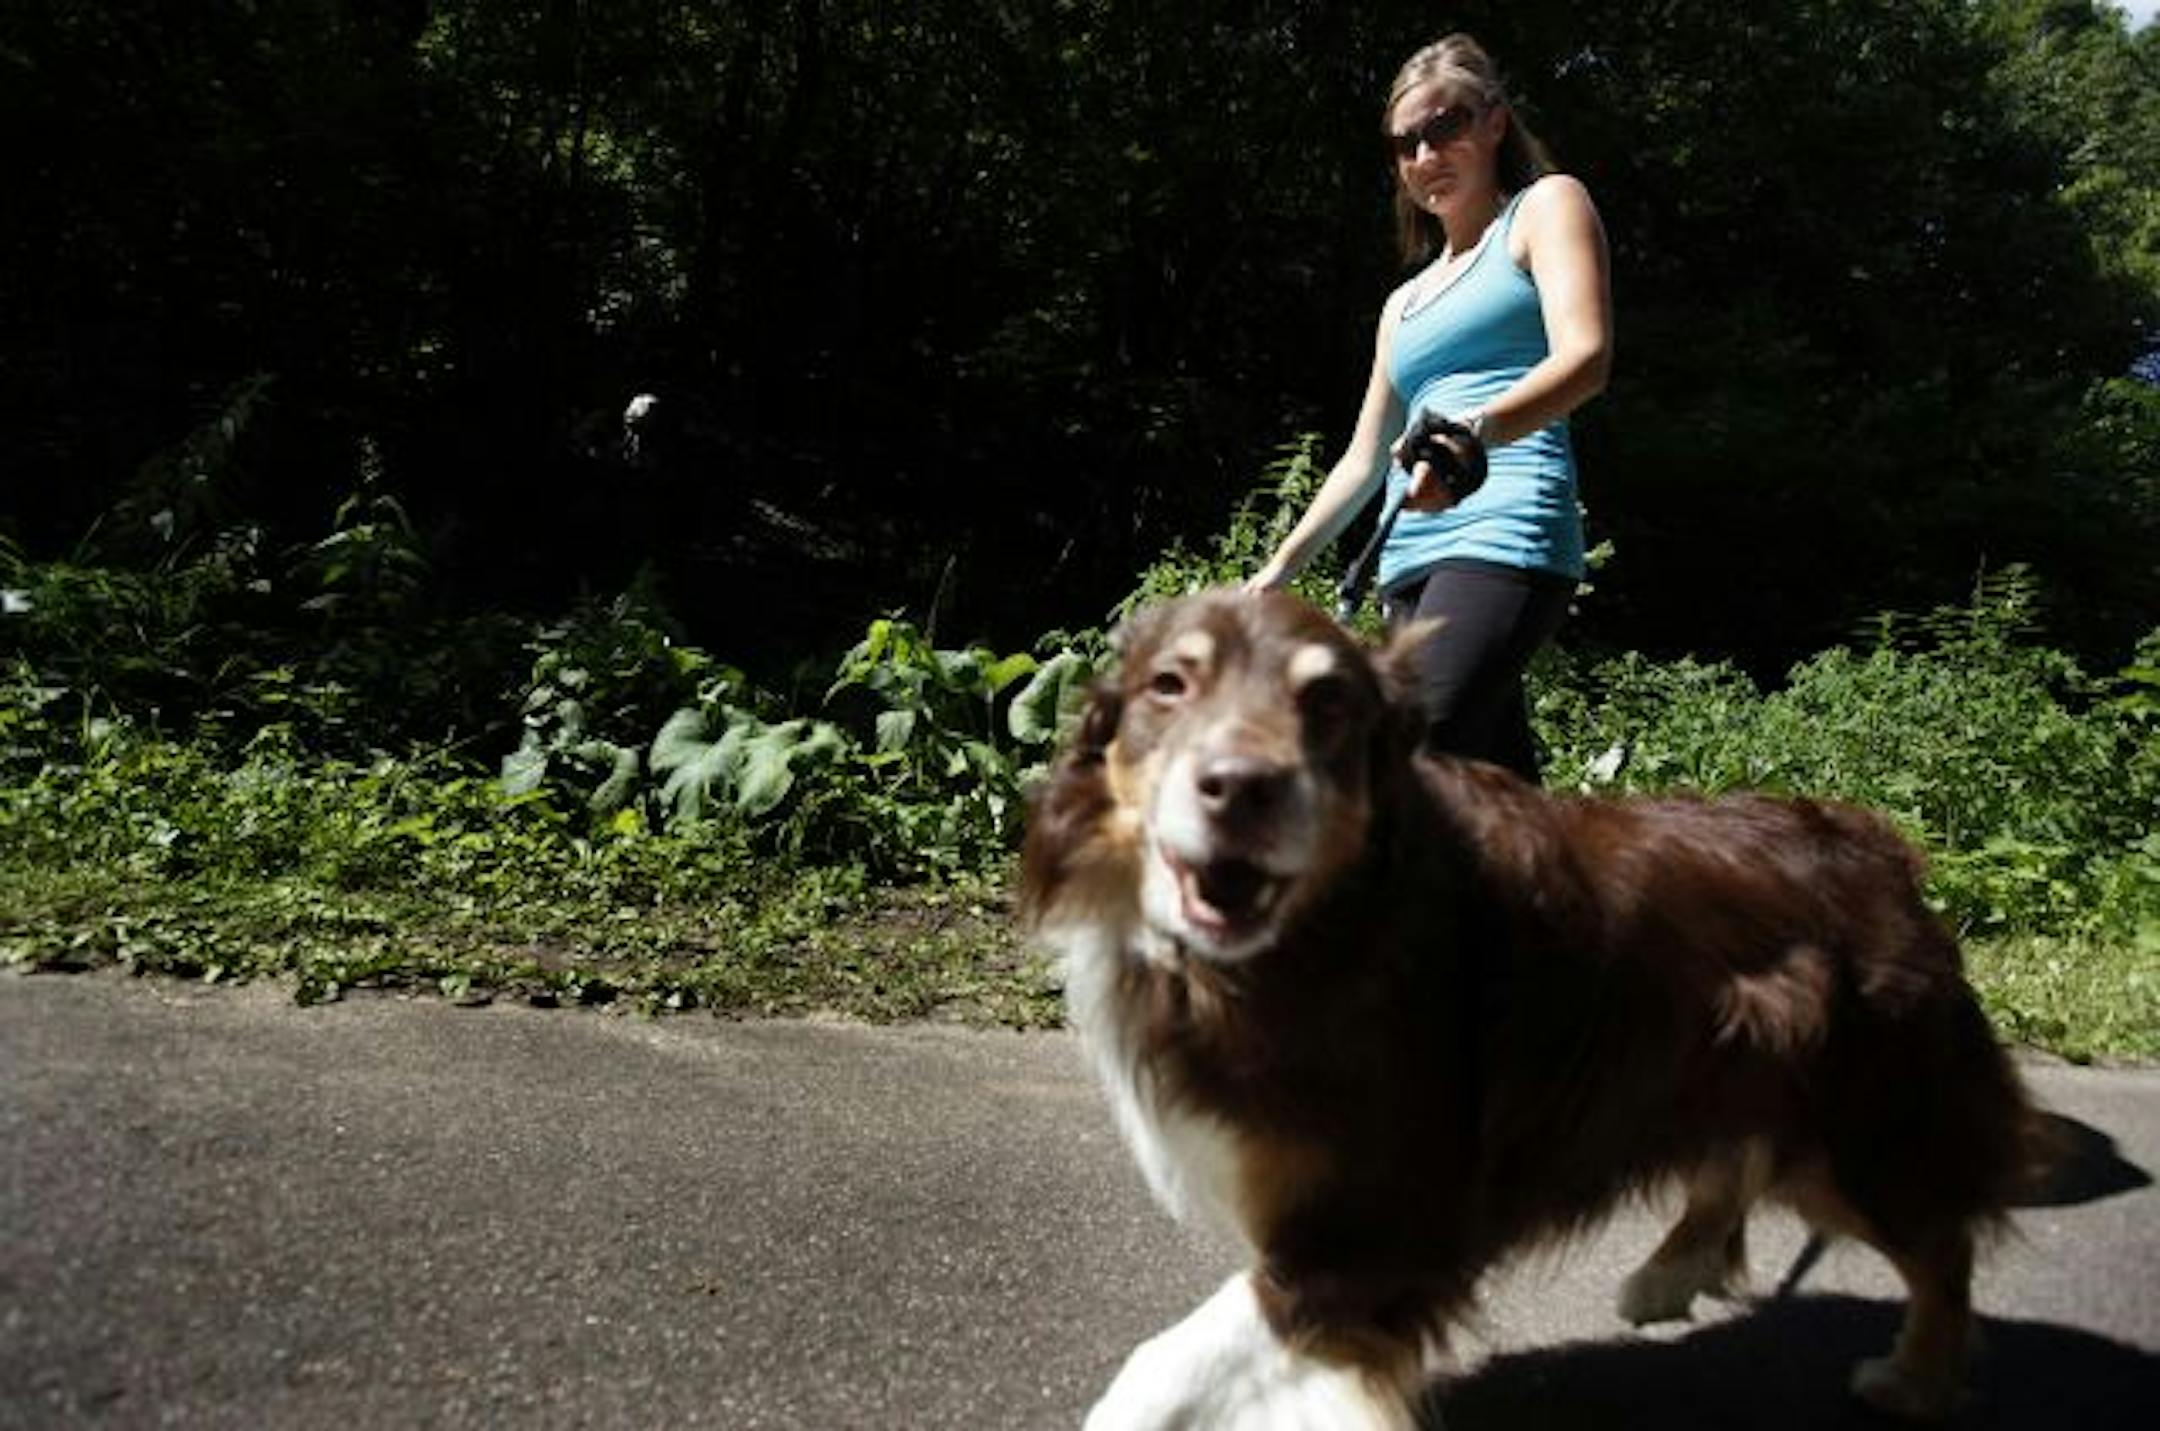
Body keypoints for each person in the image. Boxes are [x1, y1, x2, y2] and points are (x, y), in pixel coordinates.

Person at [1246, 33, 1612, 783]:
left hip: (1506, 529)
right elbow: (1360, 459)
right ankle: (1568, 903)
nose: (1423, 156)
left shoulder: (1546, 208)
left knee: (1402, 758)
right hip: (1406, 559)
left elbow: (1585, 359)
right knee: (1493, 801)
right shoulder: (1403, 304)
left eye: (1443, 128)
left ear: (1493, 122)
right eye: (1403, 142)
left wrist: (1471, 436)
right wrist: (1276, 571)